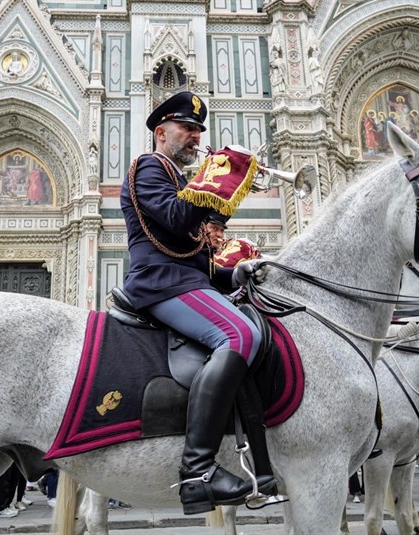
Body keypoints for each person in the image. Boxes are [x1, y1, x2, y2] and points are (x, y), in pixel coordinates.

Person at [120, 91, 273, 514]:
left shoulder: (181, 179)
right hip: (159, 284)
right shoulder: (149, 167)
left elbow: (196, 257)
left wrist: (235, 272)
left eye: (198, 130)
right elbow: (172, 217)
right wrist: (216, 175)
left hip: (185, 281)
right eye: (187, 128)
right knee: (239, 335)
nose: (194, 136)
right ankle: (197, 469)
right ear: (161, 131)